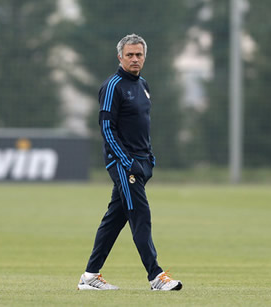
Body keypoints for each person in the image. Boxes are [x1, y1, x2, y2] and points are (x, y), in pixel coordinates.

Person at [77, 34, 182, 291]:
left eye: (139, 55)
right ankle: (156, 276)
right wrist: (127, 162)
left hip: (141, 163)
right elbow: (106, 128)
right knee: (141, 216)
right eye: (129, 55)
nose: (134, 59)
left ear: (144, 57)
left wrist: (149, 158)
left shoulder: (143, 84)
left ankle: (90, 276)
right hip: (124, 164)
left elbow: (141, 127)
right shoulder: (112, 86)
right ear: (120, 57)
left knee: (115, 218)